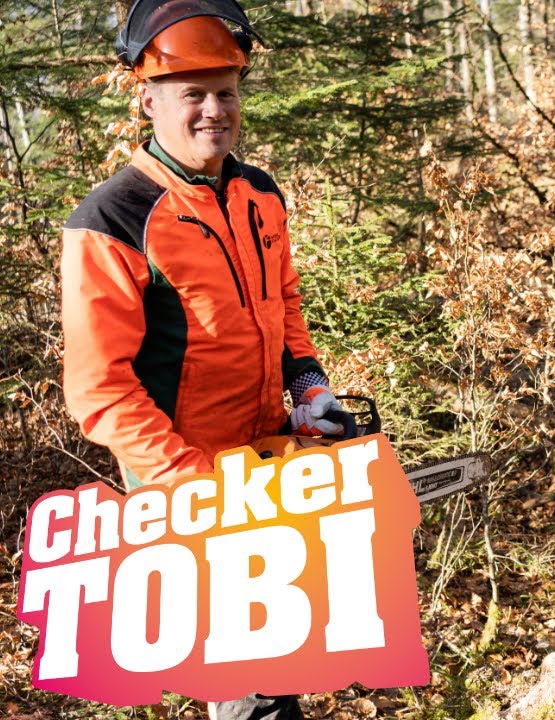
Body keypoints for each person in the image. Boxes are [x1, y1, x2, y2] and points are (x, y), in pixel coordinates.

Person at [60, 1, 342, 717]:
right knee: (247, 683)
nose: (215, 110)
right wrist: (197, 486)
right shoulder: (113, 219)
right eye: (194, 95)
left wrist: (308, 388)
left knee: (287, 656)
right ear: (148, 100)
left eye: (226, 92)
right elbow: (100, 391)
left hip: (267, 459)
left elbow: (284, 307)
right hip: (184, 479)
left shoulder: (258, 194)